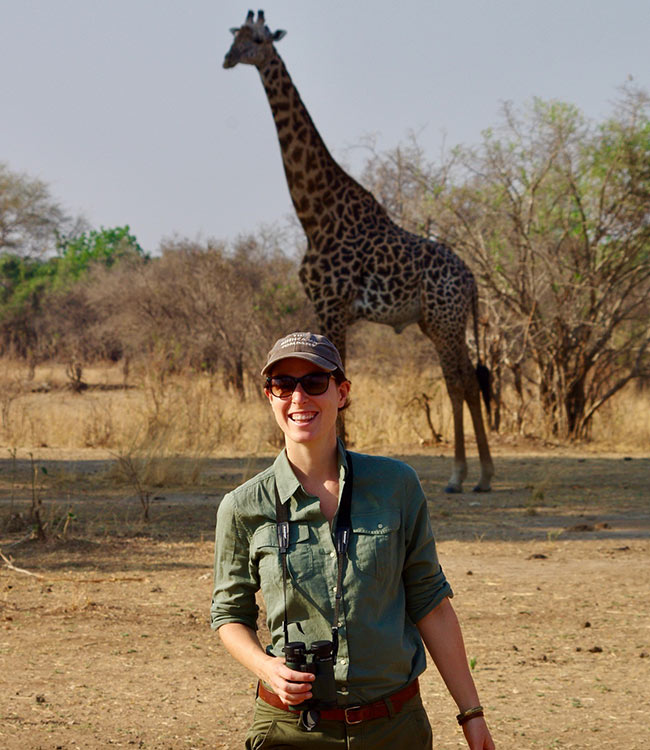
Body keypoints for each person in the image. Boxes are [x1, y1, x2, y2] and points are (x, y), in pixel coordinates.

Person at [211, 332, 495, 749]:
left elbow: (430, 603)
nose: (298, 398)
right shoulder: (242, 505)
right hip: (291, 729)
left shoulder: (396, 485)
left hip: (393, 726)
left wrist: (471, 714)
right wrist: (266, 667)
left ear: (341, 393)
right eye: (283, 385)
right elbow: (228, 614)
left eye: (314, 382)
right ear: (269, 397)